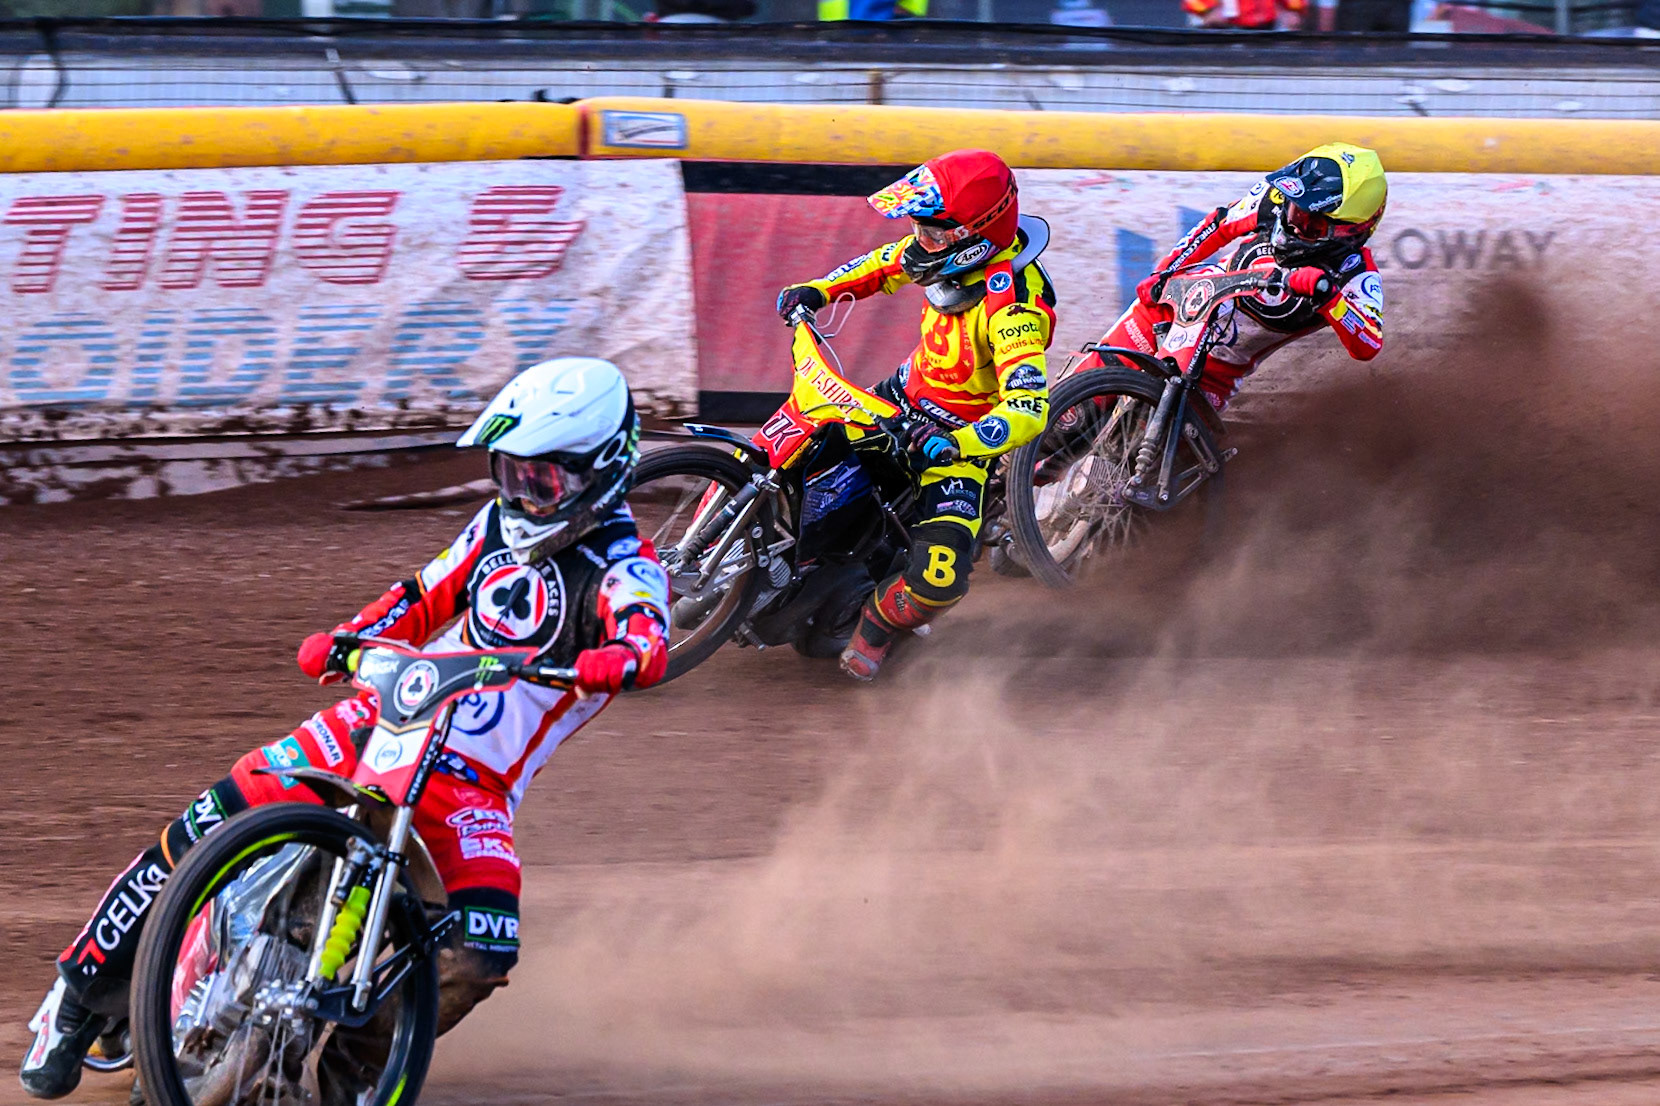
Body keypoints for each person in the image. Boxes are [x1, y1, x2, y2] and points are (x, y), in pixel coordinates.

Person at [20, 357, 671, 1100]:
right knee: (213, 816)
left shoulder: (628, 566)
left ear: (604, 471)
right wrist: (345, 638)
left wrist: (616, 662)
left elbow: (648, 639)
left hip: (472, 786)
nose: (520, 495)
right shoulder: (493, 525)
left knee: (482, 952)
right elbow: (419, 598)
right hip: (388, 715)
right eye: (509, 473)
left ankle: (345, 1083)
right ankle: (76, 994)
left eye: (542, 481)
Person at [775, 148, 1056, 682]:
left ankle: (876, 629)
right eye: (920, 230)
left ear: (976, 233)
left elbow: (1028, 409)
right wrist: (819, 289)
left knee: (940, 578)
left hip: (954, 442)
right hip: (899, 400)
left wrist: (959, 444)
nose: (919, 243)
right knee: (805, 447)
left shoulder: (1015, 305)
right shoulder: (945, 247)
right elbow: (883, 265)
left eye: (933, 233)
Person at [1097, 142, 1386, 411]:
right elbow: (1220, 224)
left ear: (1351, 231)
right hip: (1175, 310)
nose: (1294, 224)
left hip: (1216, 373)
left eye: (1312, 224)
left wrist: (1328, 296)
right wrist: (1166, 271)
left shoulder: (1356, 275)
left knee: (1167, 456)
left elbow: (1368, 345)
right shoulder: (1275, 198)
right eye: (1295, 209)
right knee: (1078, 406)